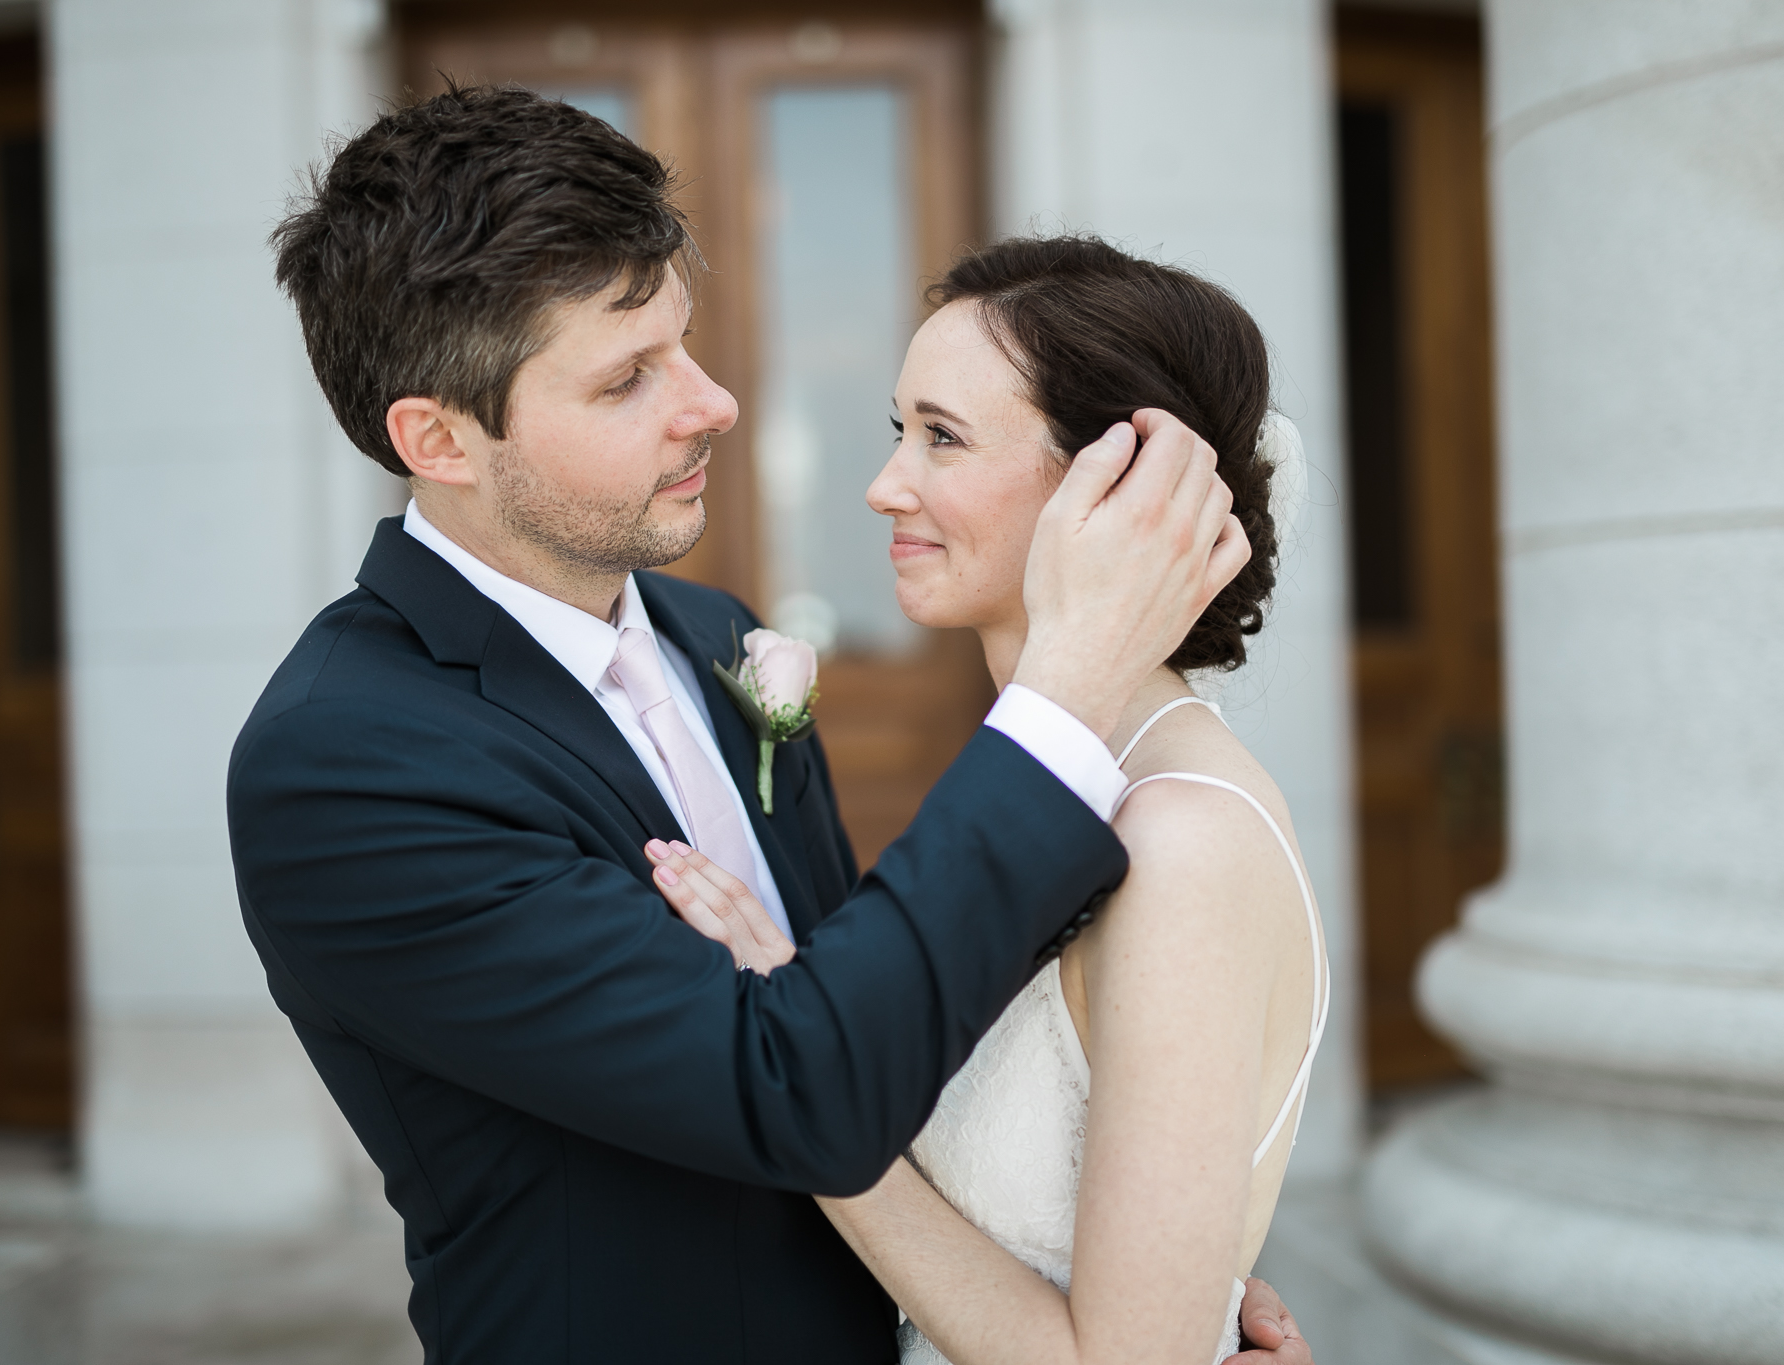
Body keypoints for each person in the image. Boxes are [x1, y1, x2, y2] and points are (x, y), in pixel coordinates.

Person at [228, 85, 1315, 1364]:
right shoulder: (345, 765)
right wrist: (1064, 689)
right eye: (629, 377)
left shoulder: (716, 637)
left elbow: (885, 1017)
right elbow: (800, 1090)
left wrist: (1142, 1283)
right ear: (441, 439)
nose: (712, 404)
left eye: (683, 342)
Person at [642, 236, 1326, 1365]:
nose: (883, 485)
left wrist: (797, 1096)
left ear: (1112, 484)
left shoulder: (1183, 842)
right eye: (896, 430)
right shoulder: (1041, 787)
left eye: (941, 438)